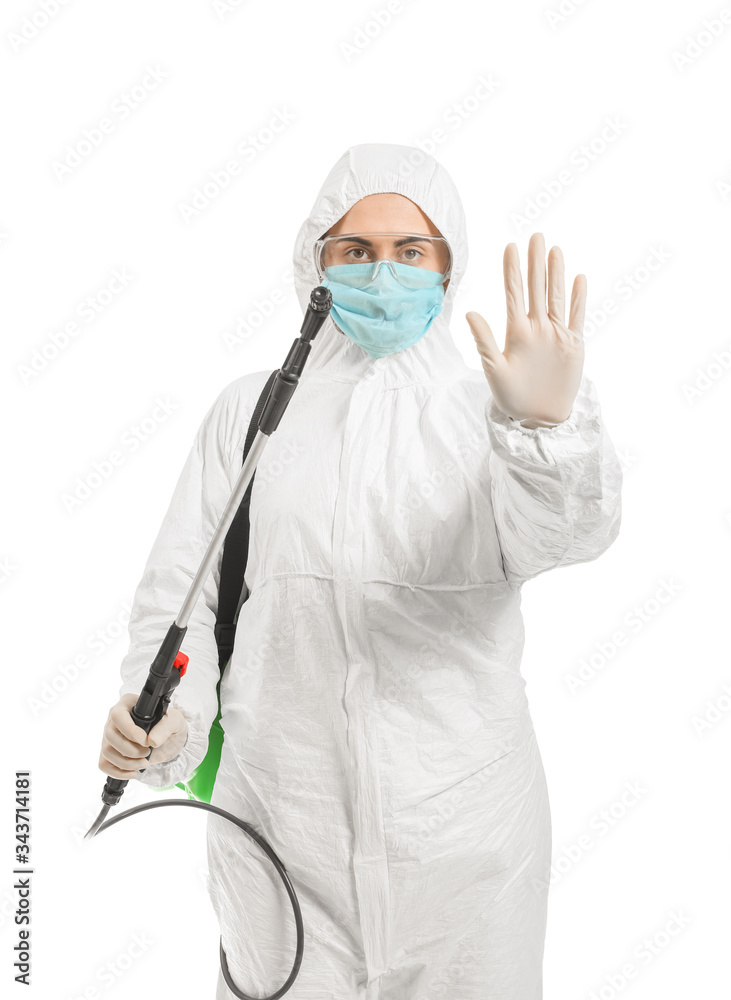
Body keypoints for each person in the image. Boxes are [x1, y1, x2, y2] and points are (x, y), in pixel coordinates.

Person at [97, 142, 622, 999]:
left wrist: (546, 432)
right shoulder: (253, 412)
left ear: (447, 265)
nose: (384, 275)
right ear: (315, 264)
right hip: (279, 836)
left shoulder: (485, 412)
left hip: (466, 847)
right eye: (356, 252)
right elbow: (181, 601)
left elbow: (566, 536)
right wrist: (168, 723)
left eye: (411, 252)